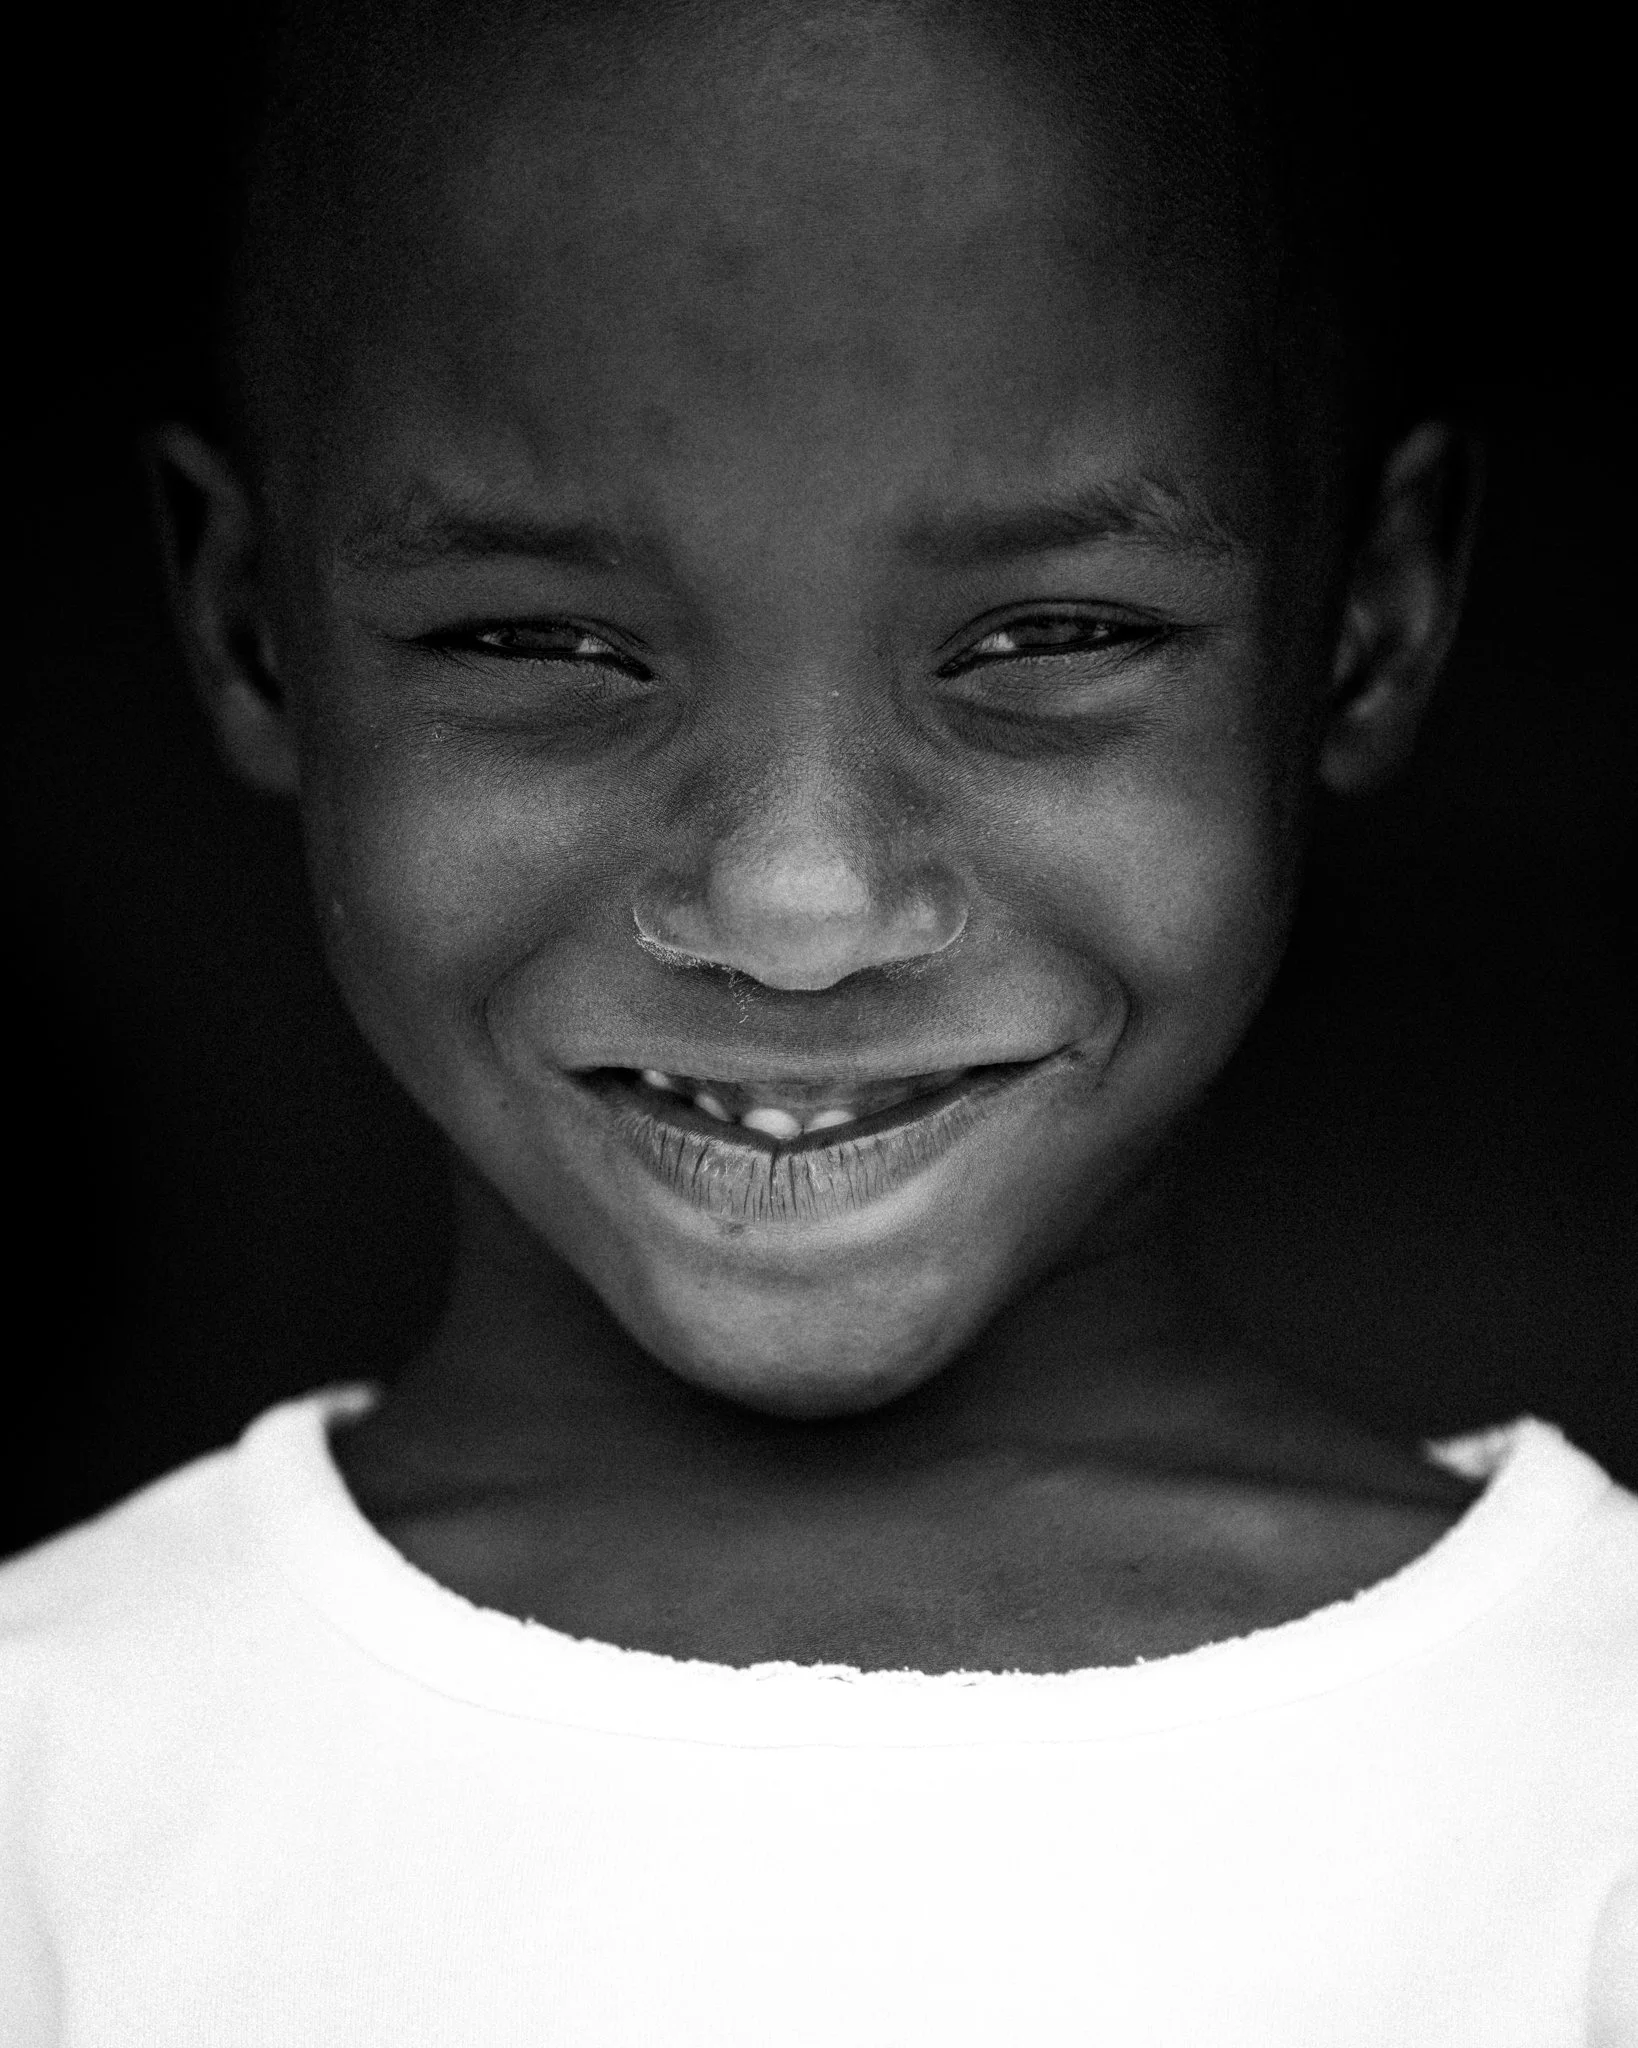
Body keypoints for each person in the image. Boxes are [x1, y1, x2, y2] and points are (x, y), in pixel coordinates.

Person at [3, 0, 1633, 2039]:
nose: (799, 911)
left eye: (1050, 638)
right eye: (539, 640)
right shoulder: (53, 1794)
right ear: (251, 625)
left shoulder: (1590, 1783)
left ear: (1368, 623)